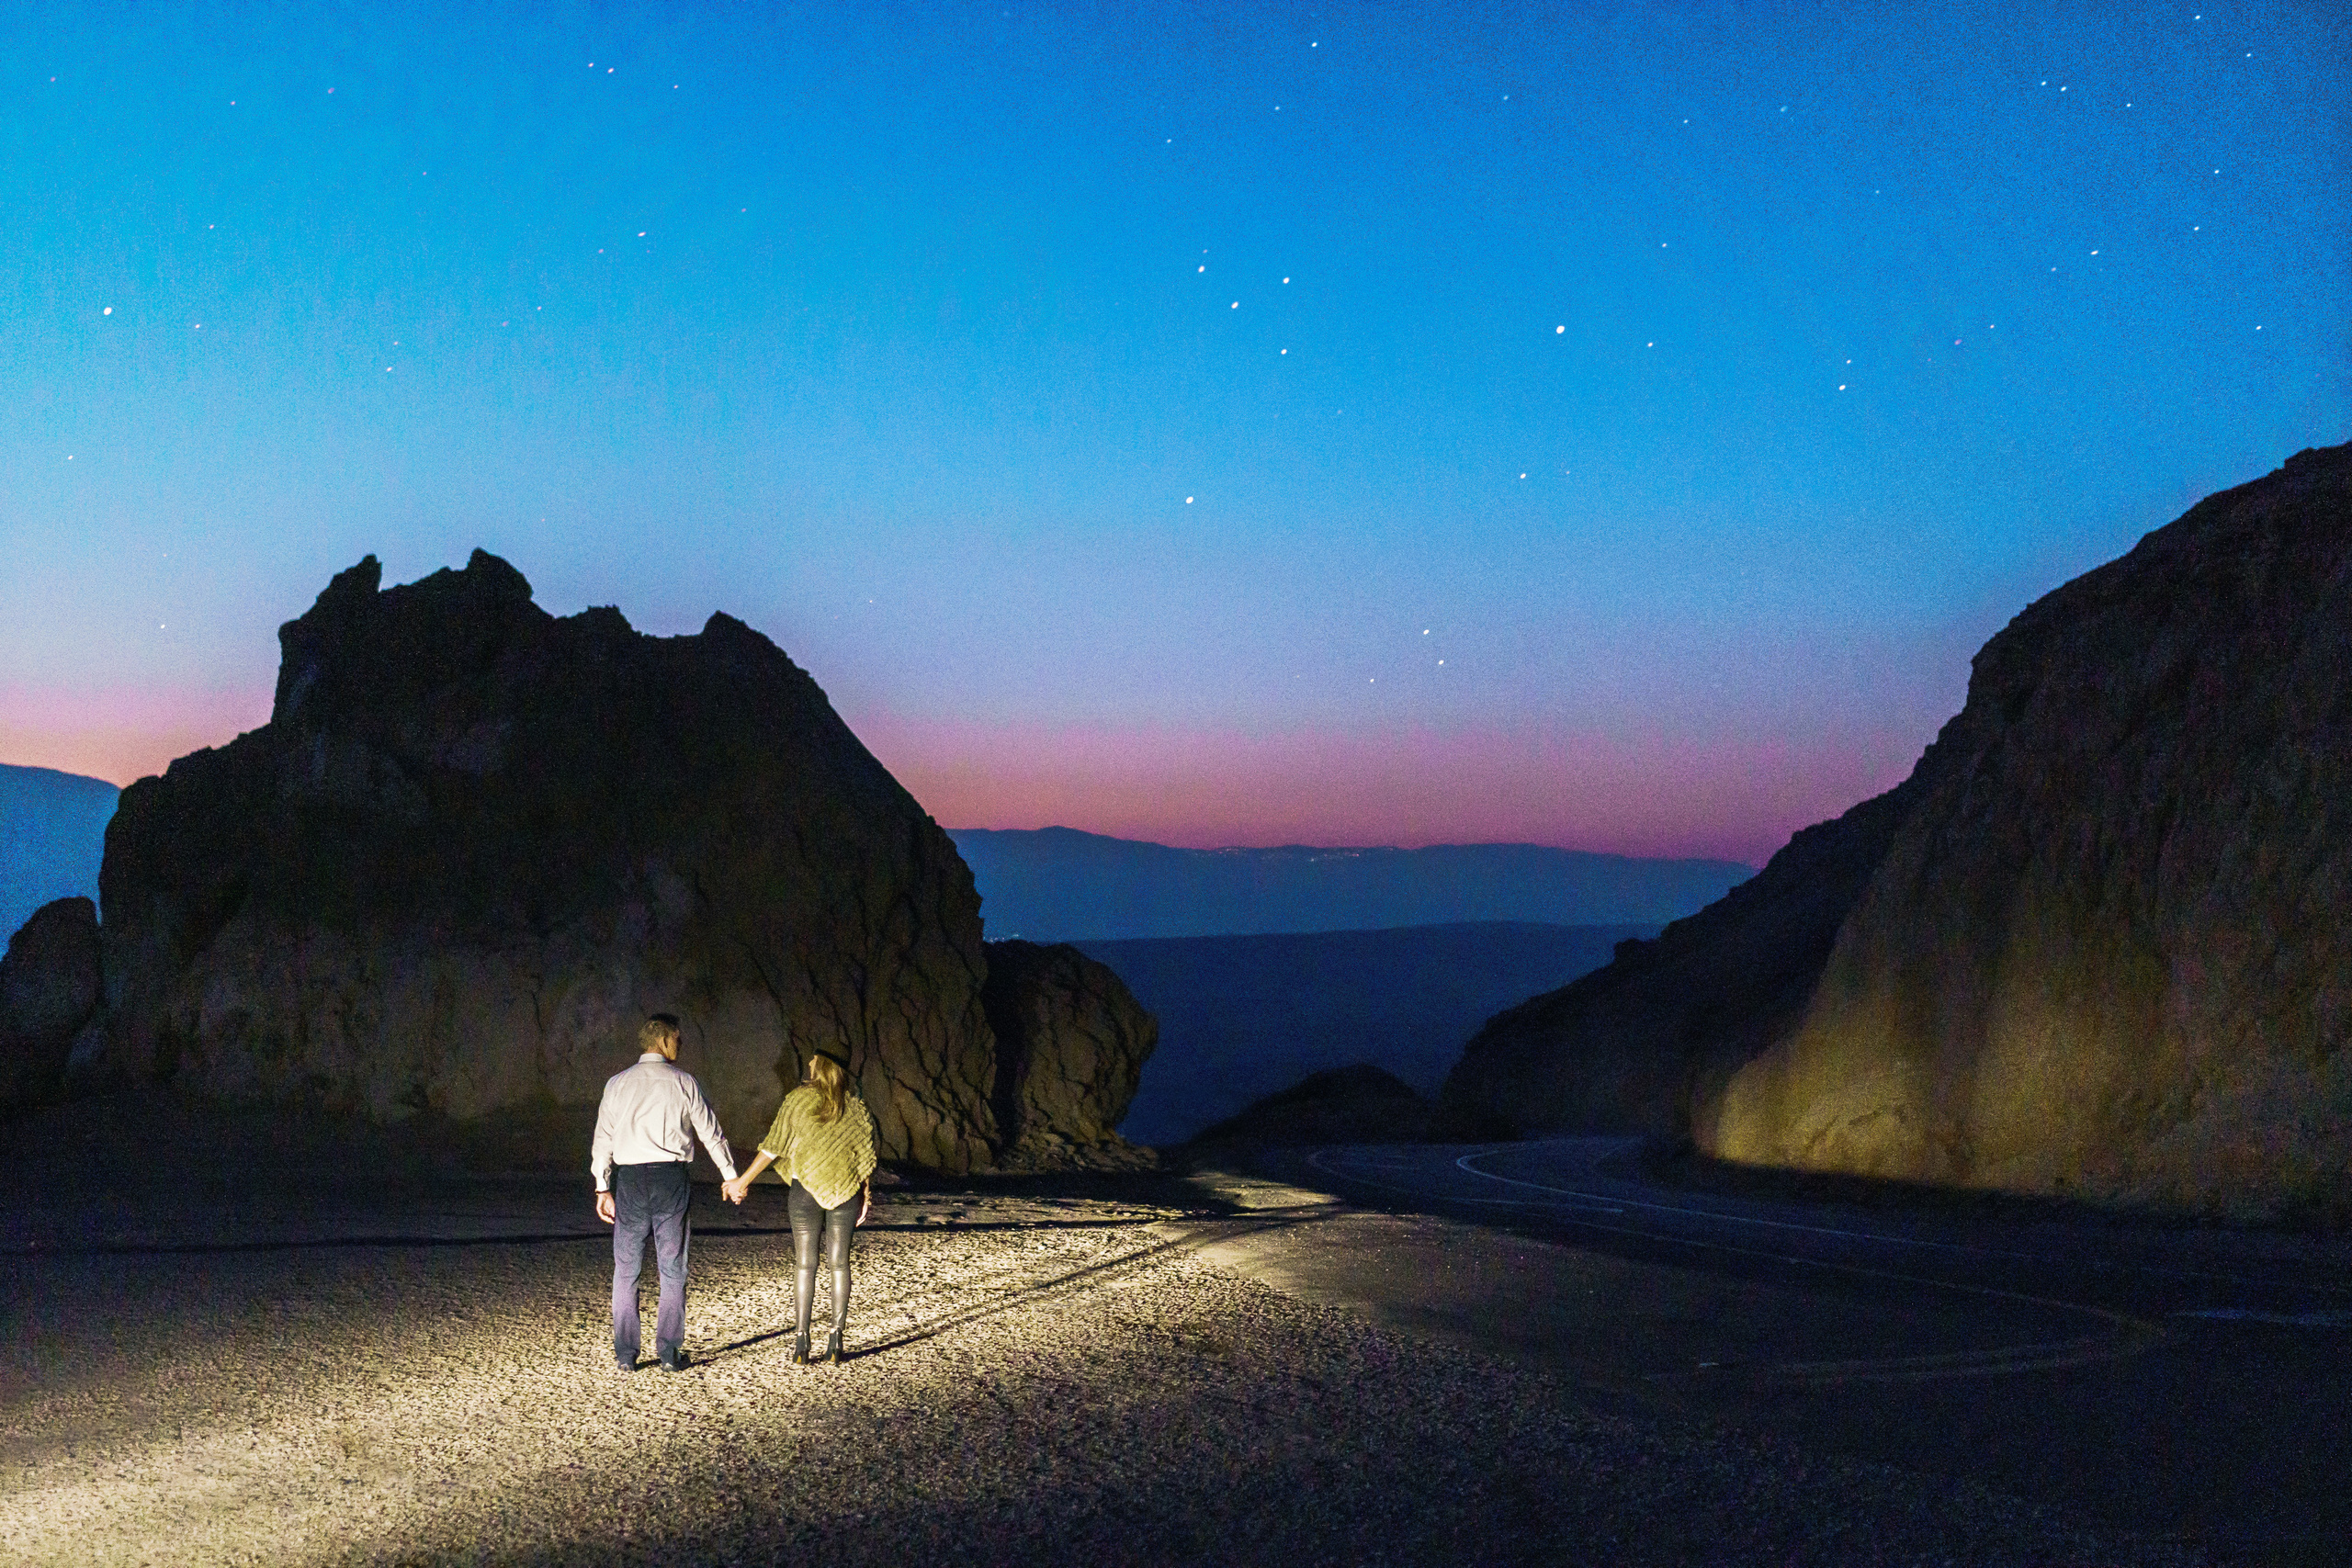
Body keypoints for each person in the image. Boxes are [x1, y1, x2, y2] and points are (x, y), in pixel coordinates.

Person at [590, 1013, 741, 1373]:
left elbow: (603, 1138)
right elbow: (711, 1133)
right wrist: (731, 1176)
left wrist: (602, 1186)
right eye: (678, 1038)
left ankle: (626, 1354)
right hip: (670, 1179)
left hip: (630, 1180)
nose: (680, 1044)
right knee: (673, 1268)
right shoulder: (683, 1082)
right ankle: (669, 1353)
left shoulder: (617, 1083)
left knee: (626, 1269)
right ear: (664, 1039)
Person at [721, 1050, 876, 1365]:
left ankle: (801, 1343)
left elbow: (773, 1147)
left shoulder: (798, 1100)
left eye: (813, 1059)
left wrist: (743, 1181)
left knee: (805, 1264)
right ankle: (836, 1340)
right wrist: (865, 1194)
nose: (809, 1064)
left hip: (804, 1191)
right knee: (839, 1264)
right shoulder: (856, 1107)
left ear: (823, 1064)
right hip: (845, 1192)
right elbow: (863, 1157)